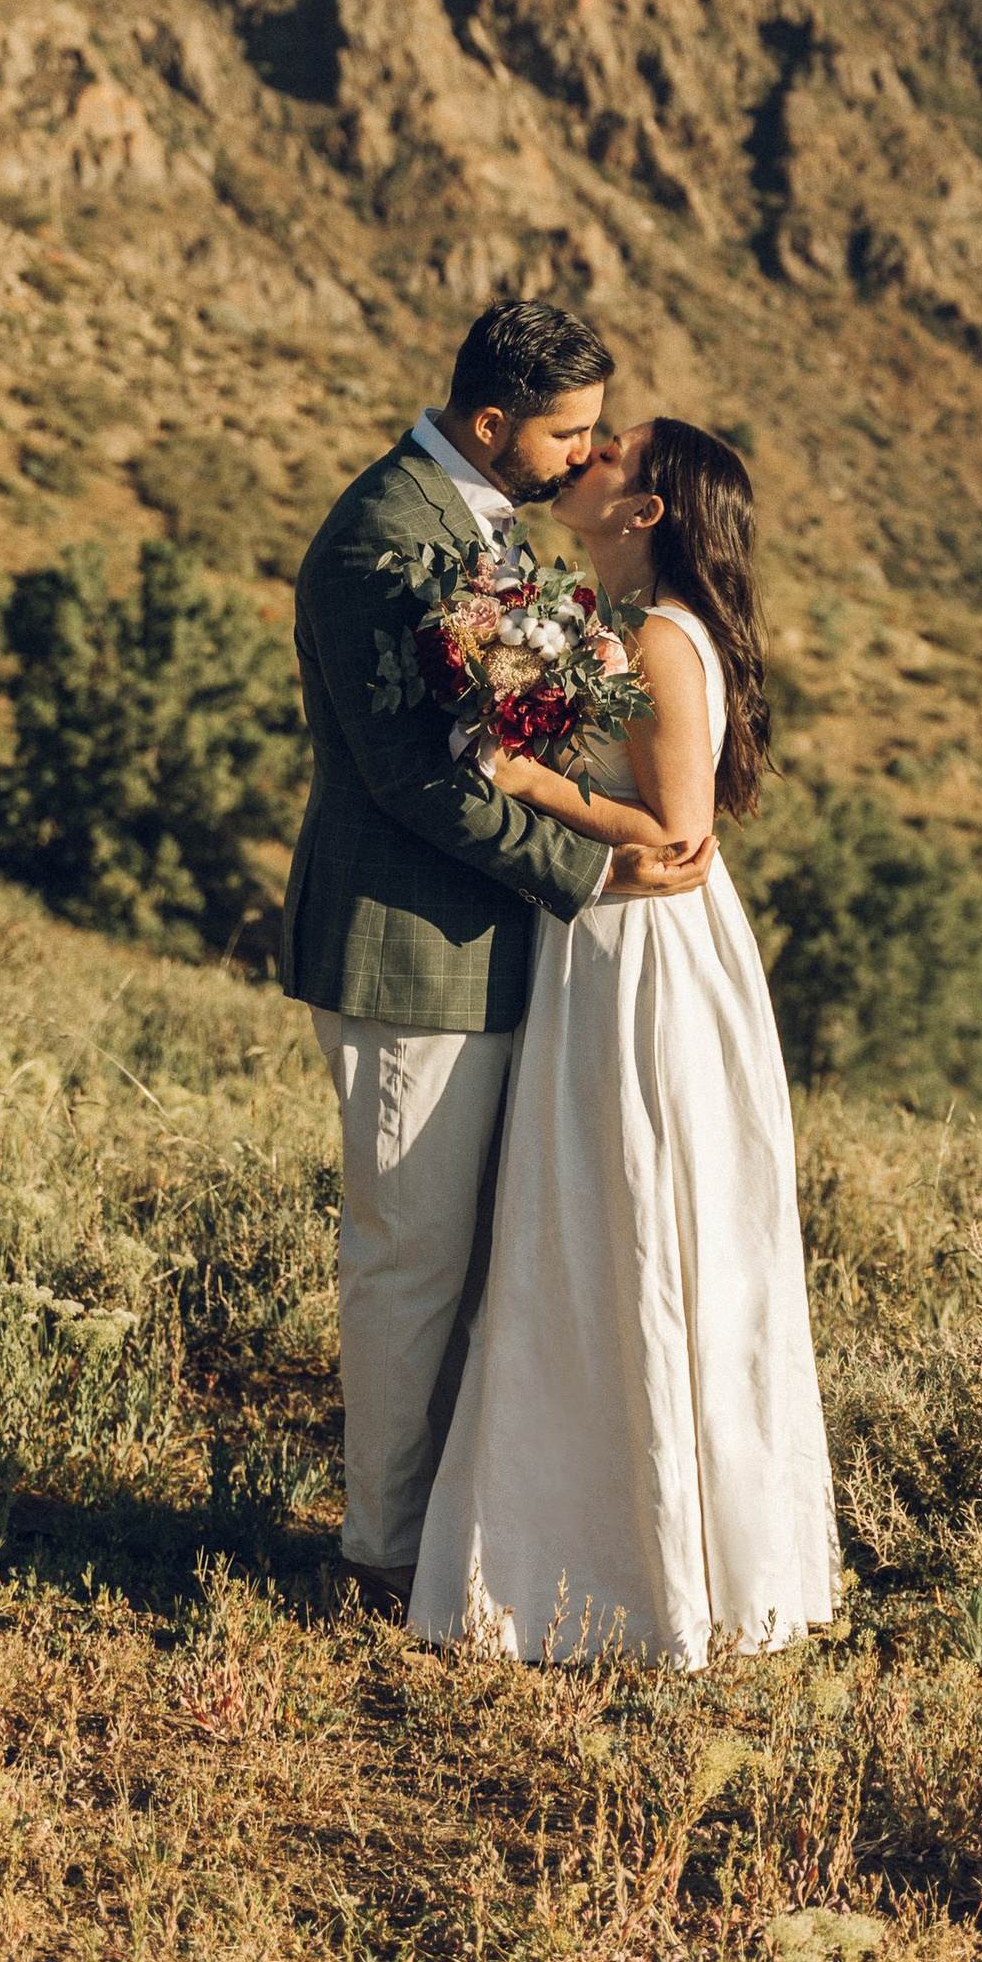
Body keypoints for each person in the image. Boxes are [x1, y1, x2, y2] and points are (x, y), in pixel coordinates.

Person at [282, 302, 713, 1620]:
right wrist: (592, 869)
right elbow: (418, 785)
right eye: (566, 432)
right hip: (409, 951)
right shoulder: (382, 542)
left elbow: (520, 744)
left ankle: (464, 1534)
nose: (584, 457)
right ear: (492, 425)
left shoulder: (481, 528)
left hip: (499, 948)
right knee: (408, 1259)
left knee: (488, 1262)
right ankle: (380, 1556)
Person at [408, 416, 841, 1670]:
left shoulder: (659, 640)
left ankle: (636, 1575)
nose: (582, 459)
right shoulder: (608, 625)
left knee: (636, 1225)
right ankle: (588, 1549)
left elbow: (669, 833)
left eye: (609, 456)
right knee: (592, 1230)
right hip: (597, 938)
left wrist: (521, 778)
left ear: (644, 510)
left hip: (643, 960)